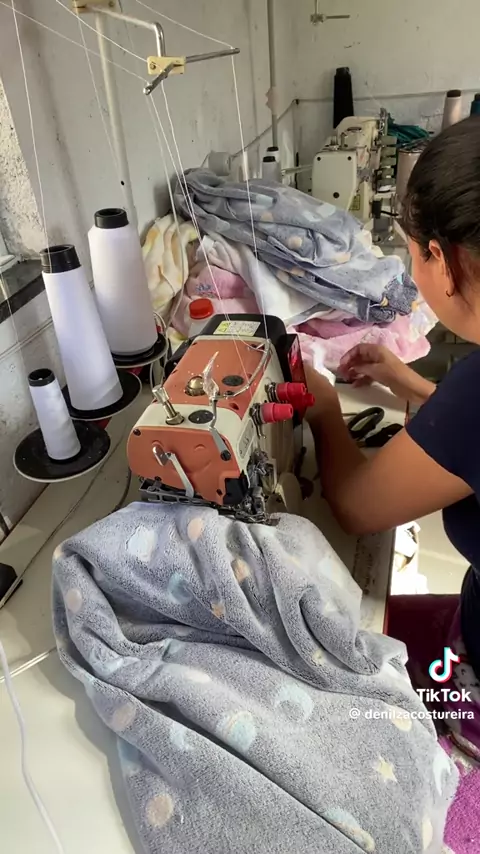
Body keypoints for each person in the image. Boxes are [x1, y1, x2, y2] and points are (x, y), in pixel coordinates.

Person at [305, 115, 480, 757]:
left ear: (443, 259)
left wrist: (323, 404)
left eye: (412, 254)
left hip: (475, 678)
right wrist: (411, 384)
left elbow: (355, 506)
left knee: (328, 693)